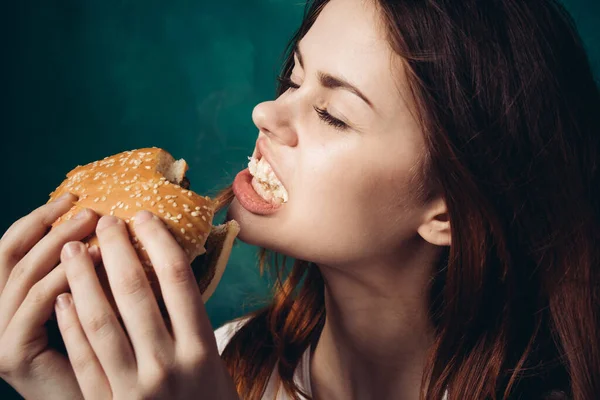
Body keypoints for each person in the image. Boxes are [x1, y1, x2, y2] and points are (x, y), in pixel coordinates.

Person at [0, 0, 598, 399]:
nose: (265, 113)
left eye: (333, 115)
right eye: (293, 77)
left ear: (447, 211)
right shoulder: (224, 362)